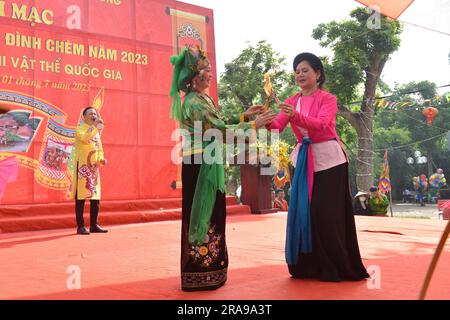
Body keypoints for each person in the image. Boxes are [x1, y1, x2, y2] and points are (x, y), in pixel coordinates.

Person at [169, 46, 275, 291]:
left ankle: (210, 268)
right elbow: (220, 131)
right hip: (199, 164)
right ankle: (201, 271)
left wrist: (245, 117)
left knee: (211, 215)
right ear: (195, 77)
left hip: (206, 161)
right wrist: (254, 126)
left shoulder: (202, 99)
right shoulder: (195, 102)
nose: (210, 73)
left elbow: (218, 125)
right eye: (206, 69)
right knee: (203, 216)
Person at [266, 52, 368, 282]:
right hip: (303, 161)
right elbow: (277, 126)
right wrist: (262, 120)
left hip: (329, 161)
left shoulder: (327, 99)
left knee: (325, 213)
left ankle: (337, 266)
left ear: (318, 74)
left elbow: (322, 125)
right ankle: (309, 266)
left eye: (305, 70)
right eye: (297, 71)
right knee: (304, 211)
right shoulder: (292, 101)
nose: (300, 75)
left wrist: (297, 116)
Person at [68, 107, 108, 235]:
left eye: (95, 114)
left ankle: (94, 225)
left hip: (93, 167)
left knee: (95, 197)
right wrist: (95, 127)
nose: (94, 115)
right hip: (82, 168)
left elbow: (99, 149)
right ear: (83, 117)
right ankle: (80, 226)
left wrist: (101, 159)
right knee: (81, 198)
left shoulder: (96, 133)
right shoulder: (80, 129)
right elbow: (85, 139)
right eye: (91, 113)